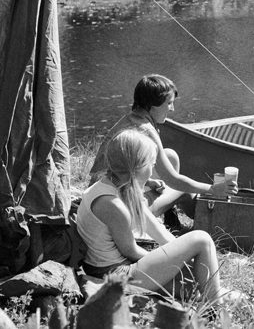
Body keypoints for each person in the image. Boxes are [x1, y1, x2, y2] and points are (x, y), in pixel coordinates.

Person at [78, 129, 237, 305]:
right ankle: (215, 307)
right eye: (152, 165)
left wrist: (179, 260)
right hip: (114, 274)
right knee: (202, 239)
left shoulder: (119, 186)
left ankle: (217, 296)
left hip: (120, 267)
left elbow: (159, 232)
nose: (153, 169)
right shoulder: (112, 204)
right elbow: (129, 251)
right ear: (138, 167)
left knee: (193, 285)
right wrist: (172, 264)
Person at [89, 74, 237, 230]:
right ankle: (212, 218)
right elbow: (173, 179)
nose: (172, 109)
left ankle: (174, 214)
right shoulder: (145, 130)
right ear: (153, 104)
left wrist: (148, 182)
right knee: (183, 192)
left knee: (170, 156)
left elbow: (120, 168)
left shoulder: (131, 119)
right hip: (118, 210)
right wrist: (212, 189)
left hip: (99, 195)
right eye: (169, 103)